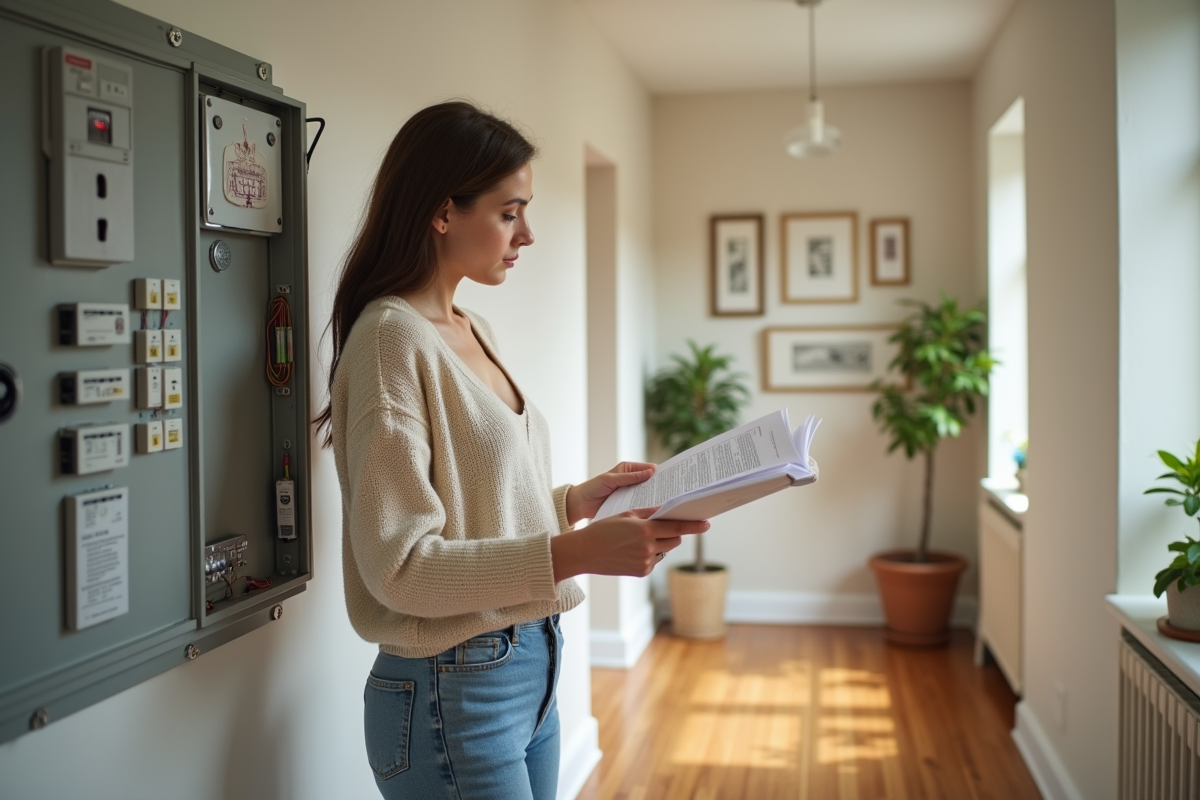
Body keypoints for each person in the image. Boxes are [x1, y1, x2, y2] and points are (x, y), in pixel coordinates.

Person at [315, 101, 709, 800]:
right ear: (443, 212)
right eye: (509, 212)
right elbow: (401, 568)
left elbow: (475, 507)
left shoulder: (473, 325)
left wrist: (573, 503)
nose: (526, 233)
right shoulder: (389, 341)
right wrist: (579, 553)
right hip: (453, 686)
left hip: (529, 666)